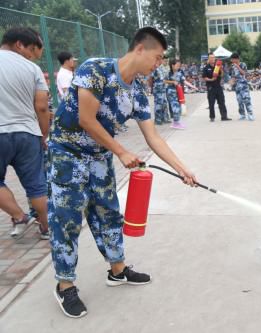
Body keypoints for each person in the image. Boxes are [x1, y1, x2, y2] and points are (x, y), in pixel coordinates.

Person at [47, 27, 197, 318]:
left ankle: (117, 271)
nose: (159, 64)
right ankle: (65, 285)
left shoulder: (138, 92)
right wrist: (121, 151)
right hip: (67, 152)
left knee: (109, 212)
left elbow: (154, 137)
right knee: (67, 219)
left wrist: (182, 170)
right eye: (157, 57)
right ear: (140, 49)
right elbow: (86, 119)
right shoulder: (96, 69)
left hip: (99, 156)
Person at [0, 27, 50, 240]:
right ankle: (47, 229)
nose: (32, 56)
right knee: (37, 186)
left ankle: (19, 216)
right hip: (28, 134)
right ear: (19, 44)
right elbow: (41, 107)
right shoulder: (32, 69)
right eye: (31, 50)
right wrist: (43, 135)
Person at [165, 58, 198, 129]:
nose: (178, 67)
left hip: (178, 92)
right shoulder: (168, 73)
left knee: (179, 108)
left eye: (179, 65)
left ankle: (175, 122)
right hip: (171, 92)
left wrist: (192, 86)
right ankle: (176, 123)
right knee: (175, 108)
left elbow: (184, 81)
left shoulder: (180, 73)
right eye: (177, 65)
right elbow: (164, 81)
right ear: (172, 65)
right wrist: (172, 82)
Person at [202, 53, 231, 122]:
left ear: (215, 58)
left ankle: (224, 116)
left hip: (218, 86)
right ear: (208, 59)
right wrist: (211, 79)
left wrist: (221, 69)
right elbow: (204, 78)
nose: (212, 59)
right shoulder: (206, 68)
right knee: (211, 103)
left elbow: (221, 75)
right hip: (210, 87)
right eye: (211, 57)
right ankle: (212, 117)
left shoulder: (217, 66)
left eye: (213, 57)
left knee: (222, 101)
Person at [229, 53, 254, 121]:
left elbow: (244, 73)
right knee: (239, 101)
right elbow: (233, 76)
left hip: (244, 85)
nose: (231, 61)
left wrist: (237, 66)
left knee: (246, 100)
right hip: (237, 86)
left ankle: (250, 114)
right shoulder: (232, 66)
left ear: (236, 59)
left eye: (232, 59)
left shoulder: (243, 64)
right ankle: (242, 115)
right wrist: (230, 83)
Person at [151, 56, 171, 125]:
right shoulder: (156, 69)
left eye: (167, 61)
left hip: (163, 88)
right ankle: (158, 120)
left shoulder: (164, 69)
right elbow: (151, 79)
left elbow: (166, 79)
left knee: (164, 103)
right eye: (165, 61)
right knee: (158, 104)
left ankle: (165, 118)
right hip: (158, 89)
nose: (166, 62)